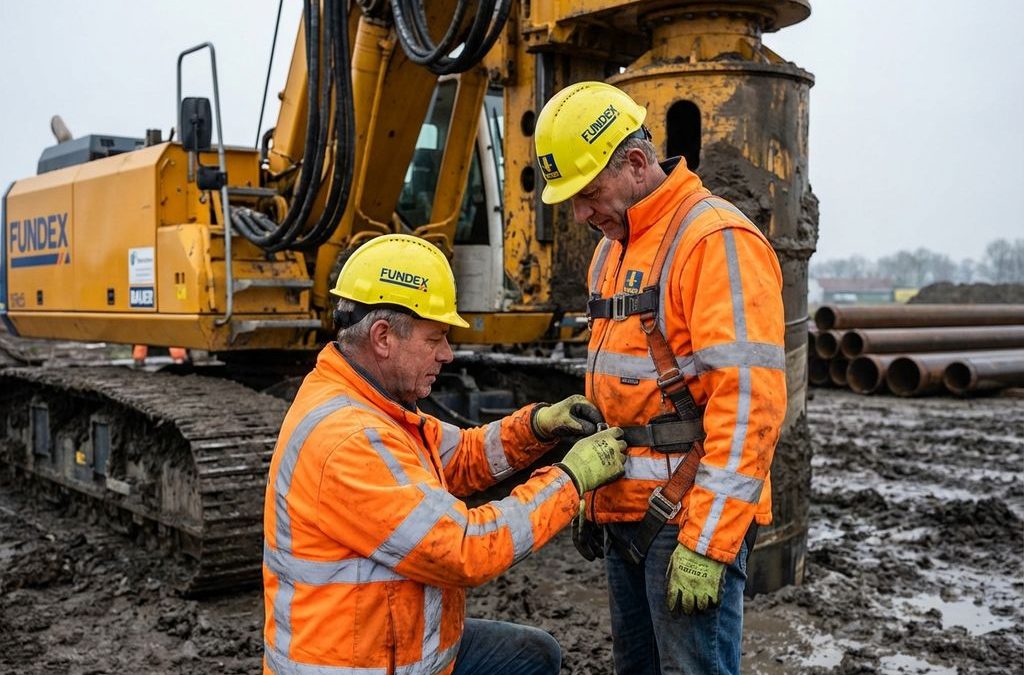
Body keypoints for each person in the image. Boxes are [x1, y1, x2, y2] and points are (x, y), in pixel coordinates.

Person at [262, 233, 628, 675]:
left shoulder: (372, 403)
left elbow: (462, 456)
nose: (447, 354)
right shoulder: (350, 439)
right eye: (435, 338)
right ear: (383, 337)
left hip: (393, 643)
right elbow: (465, 550)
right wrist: (570, 480)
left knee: (532, 655)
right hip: (358, 663)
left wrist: (537, 427)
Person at [534, 81, 786, 674]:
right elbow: (627, 390)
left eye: (589, 193)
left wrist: (709, 541)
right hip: (626, 515)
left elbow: (749, 405)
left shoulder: (714, 240)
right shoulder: (612, 248)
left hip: (689, 518)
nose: (580, 213)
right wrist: (593, 498)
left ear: (638, 163)